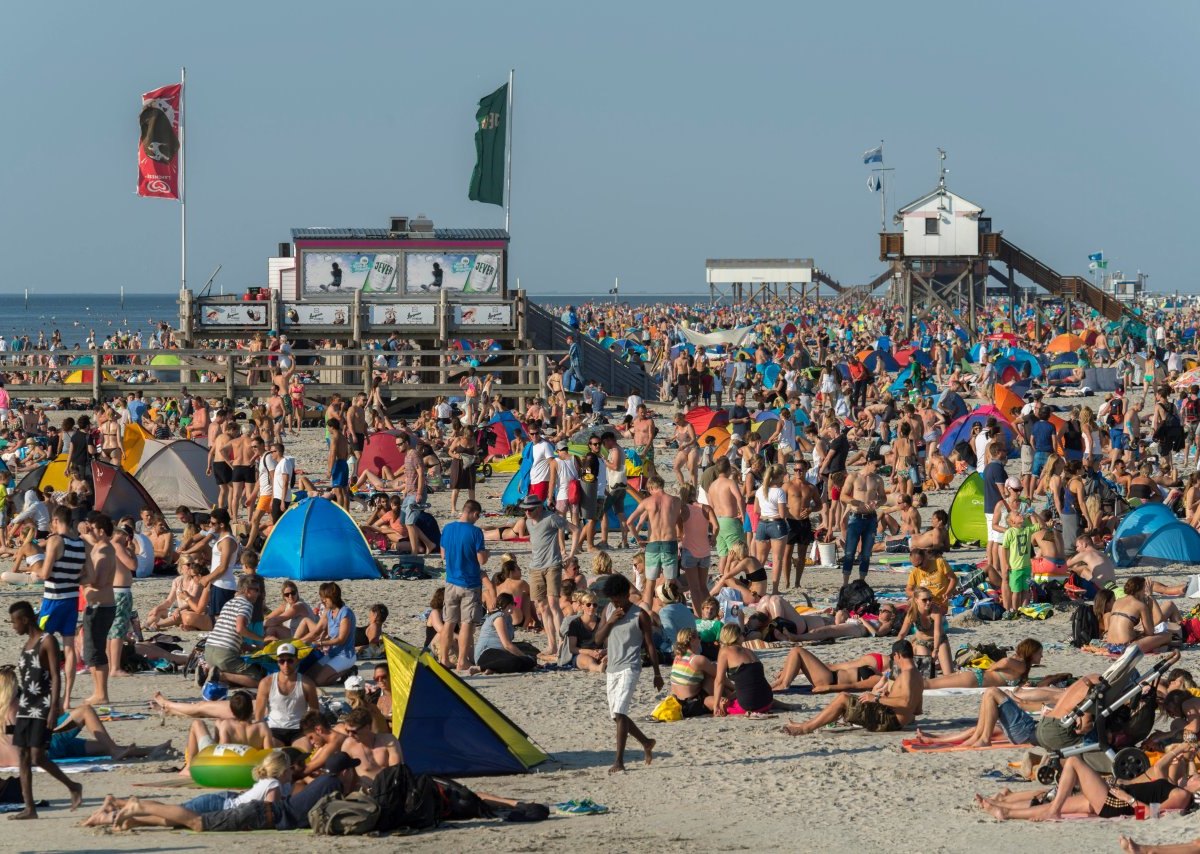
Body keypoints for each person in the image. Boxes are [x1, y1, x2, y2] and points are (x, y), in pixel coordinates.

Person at [5, 599, 83, 818]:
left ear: (25, 619)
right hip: (26, 705)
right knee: (22, 755)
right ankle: (29, 807)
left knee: (38, 756)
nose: (13, 627)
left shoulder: (47, 641)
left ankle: (73, 786)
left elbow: (56, 676)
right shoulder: (27, 643)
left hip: (42, 705)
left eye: (14, 622)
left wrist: (54, 708)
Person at [593, 573, 661, 774]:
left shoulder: (640, 615)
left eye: (618, 599)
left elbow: (650, 645)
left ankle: (619, 762)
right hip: (612, 668)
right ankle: (646, 742)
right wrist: (610, 621)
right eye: (612, 600)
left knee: (621, 713)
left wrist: (657, 673)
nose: (616, 603)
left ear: (626, 594)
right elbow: (597, 639)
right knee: (616, 716)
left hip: (631, 667)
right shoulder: (609, 610)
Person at [782, 640, 924, 735]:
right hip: (892, 718)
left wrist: (877, 698)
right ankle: (807, 724)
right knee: (848, 699)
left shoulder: (906, 675)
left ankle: (806, 728)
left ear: (897, 655)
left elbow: (905, 702)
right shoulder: (917, 675)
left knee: (843, 698)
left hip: (888, 721)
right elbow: (917, 709)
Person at [31, 505, 85, 708]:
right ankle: (67, 699)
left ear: (55, 521)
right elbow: (87, 575)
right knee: (69, 648)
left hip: (53, 600)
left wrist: (33, 571)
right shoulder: (80, 544)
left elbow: (45, 573)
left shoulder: (55, 541)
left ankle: (43, 692)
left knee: (39, 646)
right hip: (71, 601)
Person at [522, 495, 577, 658]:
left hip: (552, 565)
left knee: (553, 603)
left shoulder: (551, 518)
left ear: (539, 507)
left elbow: (575, 530)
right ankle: (552, 645)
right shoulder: (527, 523)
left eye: (530, 509)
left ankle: (561, 644)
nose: (527, 512)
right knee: (542, 607)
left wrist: (571, 554)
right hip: (535, 568)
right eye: (525, 509)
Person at [440, 500, 491, 671]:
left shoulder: (447, 528)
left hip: (451, 581)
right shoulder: (476, 532)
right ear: (474, 514)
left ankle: (444, 658)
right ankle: (462, 660)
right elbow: (481, 559)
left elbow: (443, 554)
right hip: (469, 583)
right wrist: (486, 553)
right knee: (467, 623)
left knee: (449, 621)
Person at [201, 574, 266, 689]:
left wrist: (255, 648)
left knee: (235, 674)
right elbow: (240, 629)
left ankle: (208, 671)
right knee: (258, 679)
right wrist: (262, 639)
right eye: (256, 590)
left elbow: (229, 634)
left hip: (209, 651)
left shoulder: (228, 603)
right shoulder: (246, 605)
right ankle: (221, 675)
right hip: (224, 655)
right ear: (246, 590)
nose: (258, 593)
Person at [252, 643, 318, 746]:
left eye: (290, 660)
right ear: (277, 662)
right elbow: (258, 717)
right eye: (282, 661)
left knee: (305, 751)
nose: (286, 665)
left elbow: (315, 713)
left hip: (299, 730)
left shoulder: (307, 683)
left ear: (297, 660)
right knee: (271, 753)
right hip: (274, 729)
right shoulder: (266, 683)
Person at [712, 624, 781, 716]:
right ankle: (784, 705)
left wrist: (716, 706)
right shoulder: (750, 651)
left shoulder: (725, 651)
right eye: (742, 634)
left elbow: (719, 681)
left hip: (750, 706)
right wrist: (730, 697)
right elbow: (751, 683)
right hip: (768, 701)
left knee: (709, 700)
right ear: (737, 636)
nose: (744, 636)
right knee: (734, 694)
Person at [839, 456, 885, 586]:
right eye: (876, 465)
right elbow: (843, 495)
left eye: (879, 466)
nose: (878, 468)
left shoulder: (877, 479)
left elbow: (883, 498)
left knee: (866, 553)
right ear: (868, 462)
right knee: (849, 552)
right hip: (856, 517)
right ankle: (845, 583)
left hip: (870, 518)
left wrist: (878, 502)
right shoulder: (854, 477)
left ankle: (861, 581)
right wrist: (854, 501)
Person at [475, 593, 538, 673]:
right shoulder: (499, 617)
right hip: (487, 652)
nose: (515, 606)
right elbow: (507, 645)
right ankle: (481, 668)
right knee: (516, 661)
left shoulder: (508, 618)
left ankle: (493, 669)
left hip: (500, 652)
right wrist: (525, 657)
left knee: (528, 657)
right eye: (514, 604)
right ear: (508, 605)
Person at [339, 707, 401, 783]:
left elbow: (396, 770)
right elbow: (344, 775)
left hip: (390, 789)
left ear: (367, 727)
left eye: (354, 732)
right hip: (366, 792)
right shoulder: (348, 745)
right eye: (347, 731)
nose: (350, 735)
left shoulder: (388, 740)